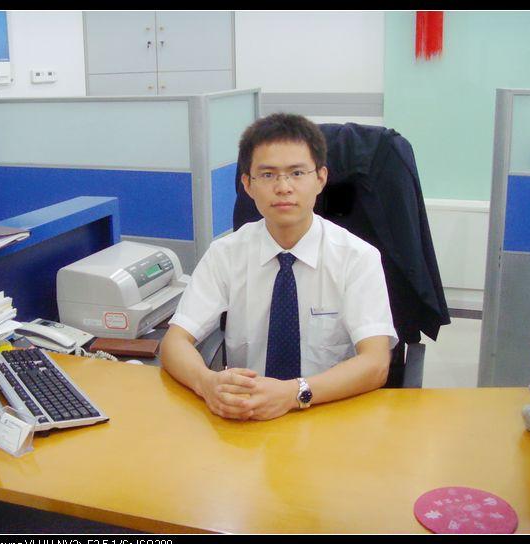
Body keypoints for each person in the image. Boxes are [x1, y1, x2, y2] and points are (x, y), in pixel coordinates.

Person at [161, 113, 397, 421]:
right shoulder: (226, 254)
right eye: (268, 175)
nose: (283, 187)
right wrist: (206, 383)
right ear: (248, 184)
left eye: (297, 173)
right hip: (247, 418)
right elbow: (174, 342)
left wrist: (292, 394)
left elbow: (376, 363)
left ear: (321, 178)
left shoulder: (357, 257)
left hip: (329, 412)